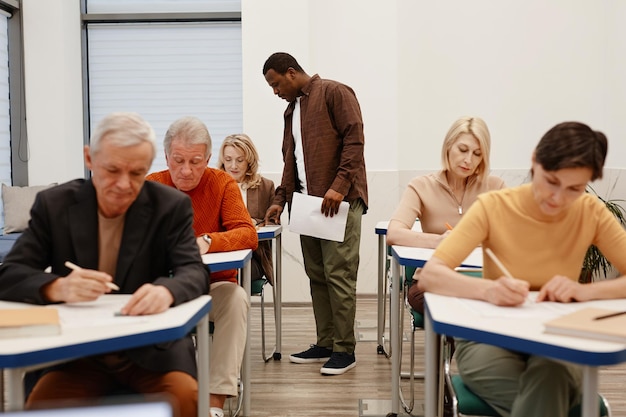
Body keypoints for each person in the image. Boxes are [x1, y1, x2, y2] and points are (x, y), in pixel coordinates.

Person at [0, 112, 209, 417]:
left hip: (152, 353)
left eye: (137, 173)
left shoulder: (169, 206)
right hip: (75, 355)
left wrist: (167, 291)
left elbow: (195, 271)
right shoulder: (54, 205)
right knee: (42, 406)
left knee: (184, 398)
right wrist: (58, 287)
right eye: (112, 170)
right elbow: (9, 274)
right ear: (89, 158)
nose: (124, 184)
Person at [419, 121, 626, 417]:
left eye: (575, 189)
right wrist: (489, 290)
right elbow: (431, 275)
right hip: (489, 337)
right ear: (534, 161)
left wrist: (584, 291)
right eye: (551, 181)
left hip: (558, 337)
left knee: (551, 371)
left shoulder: (590, 212)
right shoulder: (494, 206)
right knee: (552, 390)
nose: (559, 197)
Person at [262, 52, 368, 375]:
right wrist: (280, 199)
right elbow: (289, 162)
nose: (275, 92)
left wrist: (338, 186)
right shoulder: (291, 112)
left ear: (291, 73)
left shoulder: (336, 92)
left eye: (276, 84)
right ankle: (325, 342)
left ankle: (344, 350)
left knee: (339, 275)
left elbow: (354, 141)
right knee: (318, 275)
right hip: (307, 206)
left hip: (341, 201)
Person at [146, 116, 258, 417]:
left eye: (196, 161)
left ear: (208, 158)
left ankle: (214, 404)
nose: (186, 170)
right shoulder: (151, 186)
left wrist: (208, 240)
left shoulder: (221, 183)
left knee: (236, 299)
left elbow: (247, 234)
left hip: (213, 286)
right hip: (164, 288)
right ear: (166, 156)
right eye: (179, 160)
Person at [386, 116, 505, 312]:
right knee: (444, 304)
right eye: (463, 150)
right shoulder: (421, 186)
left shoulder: (495, 187)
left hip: (482, 278)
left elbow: (514, 235)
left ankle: (460, 339)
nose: (468, 160)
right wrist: (439, 242)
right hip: (435, 279)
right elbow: (394, 234)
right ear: (448, 146)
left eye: (477, 154)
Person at [218, 133, 276, 285]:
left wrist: (253, 224)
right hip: (221, 252)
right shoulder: (214, 185)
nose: (233, 166)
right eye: (228, 160)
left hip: (252, 257)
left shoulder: (265, 187)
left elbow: (273, 224)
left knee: (233, 272)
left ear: (249, 160)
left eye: (240, 160)